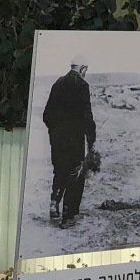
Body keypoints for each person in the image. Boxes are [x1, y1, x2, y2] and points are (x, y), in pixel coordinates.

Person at [42, 60, 98, 227]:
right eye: (85, 69)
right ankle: (69, 215)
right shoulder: (82, 85)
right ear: (82, 68)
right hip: (74, 139)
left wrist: (55, 132)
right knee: (76, 174)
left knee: (60, 170)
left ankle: (54, 203)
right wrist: (91, 139)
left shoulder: (57, 83)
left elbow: (46, 115)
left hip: (57, 139)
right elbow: (87, 116)